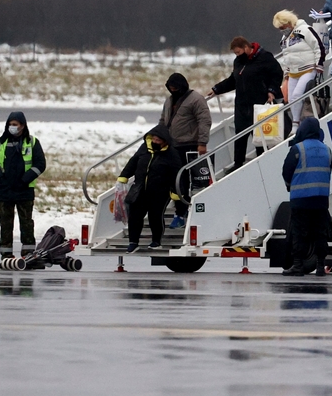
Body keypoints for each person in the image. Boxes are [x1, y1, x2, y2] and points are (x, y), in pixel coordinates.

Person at [208, 36, 283, 170]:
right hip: (242, 104)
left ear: (246, 48)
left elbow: (277, 74)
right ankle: (238, 163)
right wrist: (217, 89)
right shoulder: (238, 62)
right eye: (235, 53)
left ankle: (262, 160)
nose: (237, 55)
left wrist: (272, 90)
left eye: (238, 52)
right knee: (240, 133)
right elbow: (233, 80)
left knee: (259, 133)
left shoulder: (264, 57)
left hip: (259, 102)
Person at [0, 111, 46, 263]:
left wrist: (25, 179)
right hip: (5, 190)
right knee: (6, 224)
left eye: (15, 125)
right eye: (10, 125)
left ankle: (28, 254)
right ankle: (6, 255)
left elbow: (40, 164)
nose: (12, 127)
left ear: (23, 126)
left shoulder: (32, 142)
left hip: (24, 190)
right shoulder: (0, 142)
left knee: (26, 224)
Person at [281, 116, 332, 276]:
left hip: (301, 199)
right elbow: (329, 169)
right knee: (320, 232)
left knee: (299, 232)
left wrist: (290, 186)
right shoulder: (327, 150)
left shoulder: (298, 149)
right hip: (321, 199)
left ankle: (298, 265)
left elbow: (286, 171)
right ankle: (320, 266)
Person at [117, 125, 183, 252]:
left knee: (155, 216)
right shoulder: (144, 149)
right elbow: (133, 162)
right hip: (140, 189)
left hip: (160, 192)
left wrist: (177, 192)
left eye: (158, 140)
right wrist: (123, 177)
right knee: (135, 216)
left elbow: (177, 174)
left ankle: (156, 241)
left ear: (164, 141)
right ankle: (133, 242)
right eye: (154, 139)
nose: (155, 142)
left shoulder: (171, 154)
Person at [159, 72, 211, 227]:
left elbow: (204, 120)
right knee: (175, 181)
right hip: (171, 146)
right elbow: (163, 119)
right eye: (170, 87)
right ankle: (179, 212)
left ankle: (185, 213)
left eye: (175, 87)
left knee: (189, 181)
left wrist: (202, 142)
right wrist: (160, 136)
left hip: (189, 146)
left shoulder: (196, 99)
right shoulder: (169, 101)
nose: (173, 90)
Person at [274, 9, 324, 135]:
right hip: (293, 72)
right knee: (291, 99)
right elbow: (286, 56)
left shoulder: (305, 30)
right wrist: (286, 73)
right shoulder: (285, 38)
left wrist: (319, 64)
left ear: (289, 22)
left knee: (297, 95)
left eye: (283, 26)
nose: (282, 29)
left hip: (308, 68)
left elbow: (318, 46)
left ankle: (296, 124)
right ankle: (296, 122)